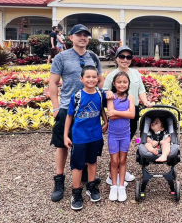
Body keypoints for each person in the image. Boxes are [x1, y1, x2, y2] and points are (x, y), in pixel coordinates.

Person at [47, 24, 104, 203]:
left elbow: (100, 81)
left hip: (88, 111)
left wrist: (100, 100)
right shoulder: (62, 57)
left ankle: (86, 177)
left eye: (85, 35)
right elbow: (53, 83)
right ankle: (59, 180)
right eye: (78, 34)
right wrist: (56, 108)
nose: (82, 37)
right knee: (62, 145)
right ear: (70, 37)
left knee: (86, 143)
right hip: (66, 108)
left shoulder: (93, 56)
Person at [103, 45, 154, 186]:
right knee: (116, 145)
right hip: (116, 113)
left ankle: (120, 171)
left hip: (133, 111)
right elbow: (105, 91)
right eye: (122, 56)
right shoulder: (111, 75)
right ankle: (112, 174)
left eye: (128, 57)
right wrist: (107, 93)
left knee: (125, 142)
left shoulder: (135, 73)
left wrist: (146, 102)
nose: (125, 59)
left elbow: (141, 90)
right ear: (117, 58)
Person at [63, 66, 108, 210]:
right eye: (88, 77)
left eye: (94, 77)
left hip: (95, 135)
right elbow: (69, 116)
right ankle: (76, 193)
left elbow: (101, 109)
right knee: (77, 165)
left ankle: (91, 186)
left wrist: (106, 121)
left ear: (98, 79)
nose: (91, 79)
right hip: (79, 137)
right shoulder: (77, 96)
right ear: (81, 79)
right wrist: (65, 136)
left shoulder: (100, 94)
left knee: (92, 161)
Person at [106, 72, 135, 202]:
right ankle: (114, 186)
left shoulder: (130, 98)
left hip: (125, 135)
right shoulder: (111, 97)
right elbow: (110, 117)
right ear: (114, 84)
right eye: (119, 82)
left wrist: (116, 112)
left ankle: (121, 186)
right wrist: (125, 113)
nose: (122, 84)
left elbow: (132, 115)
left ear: (128, 84)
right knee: (114, 161)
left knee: (123, 160)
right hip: (113, 134)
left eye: (124, 82)